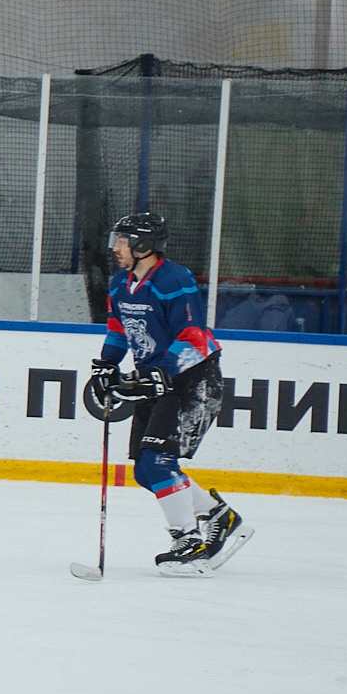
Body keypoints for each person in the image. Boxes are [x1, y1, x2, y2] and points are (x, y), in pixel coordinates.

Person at [88, 208, 251, 575]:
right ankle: (219, 518)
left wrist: (161, 371)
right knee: (145, 472)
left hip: (192, 380)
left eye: (123, 241)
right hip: (156, 381)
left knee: (158, 463)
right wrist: (107, 366)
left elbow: (193, 335)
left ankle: (189, 539)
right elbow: (119, 329)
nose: (116, 247)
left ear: (144, 244)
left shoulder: (174, 279)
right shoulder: (120, 282)